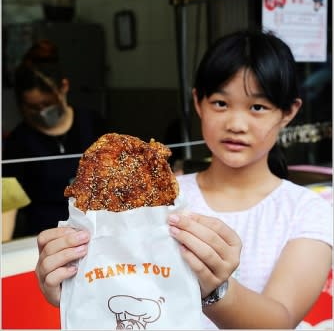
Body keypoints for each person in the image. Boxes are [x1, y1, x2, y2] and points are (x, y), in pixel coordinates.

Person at [34, 30, 332, 329]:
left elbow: (279, 322)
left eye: (257, 107)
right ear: (198, 102)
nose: (236, 124)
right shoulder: (159, 200)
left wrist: (216, 289)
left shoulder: (307, 211)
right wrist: (70, 283)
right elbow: (123, 291)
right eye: (220, 103)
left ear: (289, 112)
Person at [2, 39, 107, 237]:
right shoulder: (19, 141)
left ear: (64, 87)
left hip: (98, 232)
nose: (42, 112)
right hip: (47, 238)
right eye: (32, 107)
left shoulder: (92, 123)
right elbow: (8, 204)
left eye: (47, 104)